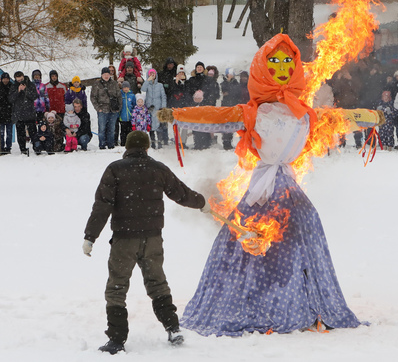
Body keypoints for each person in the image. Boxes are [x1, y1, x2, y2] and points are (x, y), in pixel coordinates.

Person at [177, 34, 366, 337]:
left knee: (299, 236)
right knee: (250, 240)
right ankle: (254, 302)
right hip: (264, 186)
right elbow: (216, 117)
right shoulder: (253, 112)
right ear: (261, 68)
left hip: (286, 187)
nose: (281, 67)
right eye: (274, 61)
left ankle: (306, 303)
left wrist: (369, 117)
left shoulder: (304, 113)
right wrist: (177, 116)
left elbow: (337, 119)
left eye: (287, 61)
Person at [82, 130, 207, 354]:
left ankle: (117, 339)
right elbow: (180, 193)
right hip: (152, 238)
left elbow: (102, 206)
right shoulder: (158, 169)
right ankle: (172, 327)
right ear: (147, 147)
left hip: (124, 239)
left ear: (127, 148)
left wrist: (90, 237)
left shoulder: (115, 169)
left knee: (117, 287)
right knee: (157, 283)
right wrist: (201, 202)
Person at [91, 67, 122, 149]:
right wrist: (97, 108)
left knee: (112, 129)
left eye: (108, 74)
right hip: (102, 109)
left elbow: (119, 96)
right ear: (102, 75)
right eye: (104, 74)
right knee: (102, 129)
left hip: (113, 109)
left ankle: (111, 145)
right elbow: (93, 97)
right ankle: (102, 145)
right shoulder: (97, 84)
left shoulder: (114, 83)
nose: (106, 76)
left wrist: (119, 107)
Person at [9, 71, 38, 155]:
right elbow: (11, 99)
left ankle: (37, 147)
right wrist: (18, 91)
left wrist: (25, 90)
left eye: (21, 79)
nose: (20, 81)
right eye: (18, 80)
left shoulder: (30, 84)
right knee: (20, 133)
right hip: (19, 113)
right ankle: (22, 149)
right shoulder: (14, 86)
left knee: (33, 132)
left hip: (29, 112)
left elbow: (34, 96)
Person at [141, 68, 167, 148]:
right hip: (150, 108)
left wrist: (163, 107)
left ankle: (159, 141)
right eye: (150, 73)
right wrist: (147, 81)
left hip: (158, 107)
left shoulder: (160, 85)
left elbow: (163, 96)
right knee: (151, 125)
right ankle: (152, 142)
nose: (152, 75)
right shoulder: (147, 85)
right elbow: (143, 89)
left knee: (158, 125)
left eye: (153, 74)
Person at [220, 68, 241, 150]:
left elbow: (236, 92)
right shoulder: (223, 83)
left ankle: (235, 142)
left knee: (234, 125)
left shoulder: (236, 83)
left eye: (232, 74)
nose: (231, 75)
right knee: (226, 125)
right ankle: (226, 142)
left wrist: (229, 92)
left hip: (234, 105)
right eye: (229, 74)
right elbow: (223, 91)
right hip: (225, 106)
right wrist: (228, 83)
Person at [119, 81, 136, 147]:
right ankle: (123, 142)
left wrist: (133, 114)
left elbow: (134, 105)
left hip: (130, 117)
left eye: (127, 87)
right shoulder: (120, 95)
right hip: (122, 117)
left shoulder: (132, 95)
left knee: (130, 131)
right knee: (123, 131)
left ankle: (130, 143)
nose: (126, 89)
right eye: (124, 87)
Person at [0, 72, 13, 154]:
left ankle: (8, 147)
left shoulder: (12, 86)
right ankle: (1, 147)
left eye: (7, 79)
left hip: (9, 113)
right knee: (1, 133)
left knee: (9, 133)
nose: (6, 80)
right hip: (0, 113)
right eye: (4, 79)